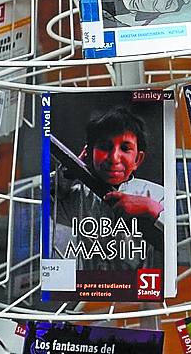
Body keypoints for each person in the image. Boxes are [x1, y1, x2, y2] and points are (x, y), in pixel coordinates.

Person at [50, 105, 167, 276]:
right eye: (104, 147)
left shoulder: (157, 195)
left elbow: (178, 238)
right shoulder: (76, 196)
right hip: (91, 294)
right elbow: (45, 202)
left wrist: (151, 208)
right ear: (89, 153)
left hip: (140, 294)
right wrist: (66, 174)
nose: (114, 158)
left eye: (125, 148)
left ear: (138, 159)